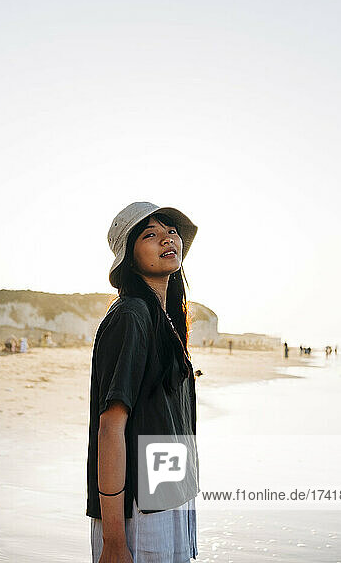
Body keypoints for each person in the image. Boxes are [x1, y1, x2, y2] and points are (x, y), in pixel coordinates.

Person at [86, 201, 200, 563]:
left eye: (170, 230)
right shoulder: (131, 315)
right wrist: (114, 542)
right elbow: (110, 428)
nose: (167, 238)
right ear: (130, 259)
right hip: (140, 508)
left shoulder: (165, 320)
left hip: (169, 491)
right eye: (150, 234)